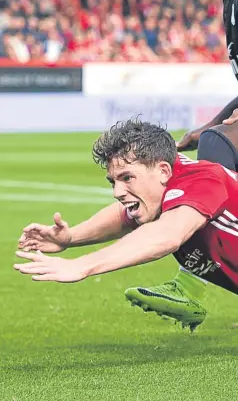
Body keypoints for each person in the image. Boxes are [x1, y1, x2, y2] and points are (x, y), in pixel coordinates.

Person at [121, 0, 238, 327]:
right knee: (210, 144)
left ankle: (190, 284)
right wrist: (212, 121)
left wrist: (216, 130)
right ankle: (193, 280)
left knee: (214, 153)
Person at [14, 119, 238, 331]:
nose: (117, 192)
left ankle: (187, 288)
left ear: (163, 170)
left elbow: (167, 235)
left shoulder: (204, 180)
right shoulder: (165, 178)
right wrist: (71, 238)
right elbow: (125, 216)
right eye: (114, 181)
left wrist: (82, 265)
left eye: (127, 178)